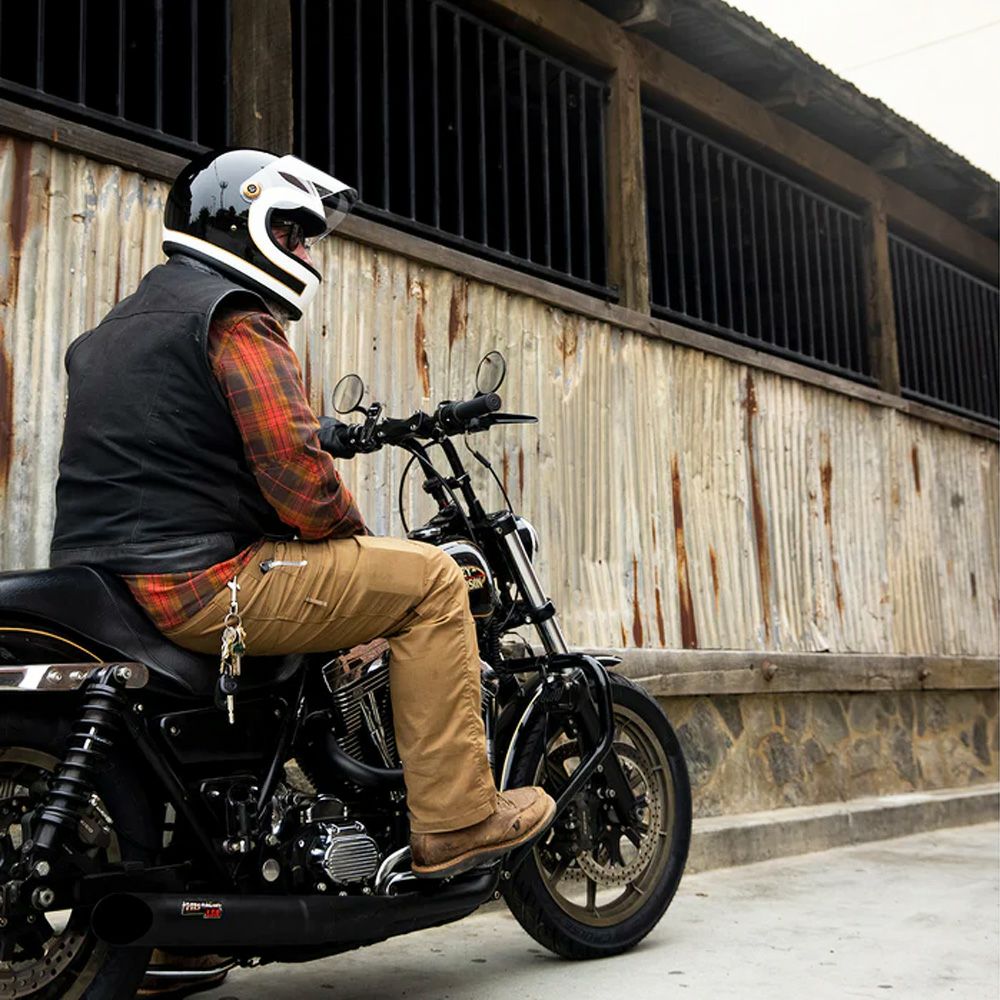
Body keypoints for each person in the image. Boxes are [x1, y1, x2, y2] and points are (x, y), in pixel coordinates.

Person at [49, 148, 556, 882]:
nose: (304, 252)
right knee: (432, 580)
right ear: (240, 223)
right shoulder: (235, 318)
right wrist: (358, 546)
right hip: (203, 581)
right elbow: (298, 476)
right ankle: (457, 820)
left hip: (111, 580)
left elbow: (184, 445)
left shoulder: (115, 329)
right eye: (290, 231)